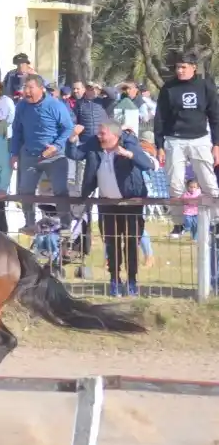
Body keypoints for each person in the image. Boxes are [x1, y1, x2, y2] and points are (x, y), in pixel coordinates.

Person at [72, 121, 154, 297]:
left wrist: (129, 154)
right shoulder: (95, 146)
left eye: (103, 133)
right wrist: (72, 138)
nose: (98, 136)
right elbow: (74, 154)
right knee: (111, 244)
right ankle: (114, 280)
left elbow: (148, 164)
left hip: (130, 203)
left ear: (115, 136)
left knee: (131, 243)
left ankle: (132, 281)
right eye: (99, 133)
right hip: (107, 204)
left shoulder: (129, 143)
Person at [154, 52, 219, 240]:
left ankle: (216, 220)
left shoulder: (205, 86)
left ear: (193, 67)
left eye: (184, 67)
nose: (180, 70)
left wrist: (216, 144)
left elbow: (215, 117)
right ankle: (179, 223)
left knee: (209, 182)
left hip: (200, 139)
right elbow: (160, 118)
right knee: (174, 184)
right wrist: (159, 145)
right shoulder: (169, 88)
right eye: (177, 67)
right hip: (174, 139)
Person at [11, 73, 75, 230]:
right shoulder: (21, 106)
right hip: (29, 156)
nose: (26, 91)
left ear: (41, 89)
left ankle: (66, 225)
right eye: (24, 87)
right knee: (25, 191)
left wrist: (56, 146)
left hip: (54, 157)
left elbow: (68, 128)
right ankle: (30, 224)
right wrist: (13, 153)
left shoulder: (55, 105)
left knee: (60, 191)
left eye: (30, 88)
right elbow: (17, 131)